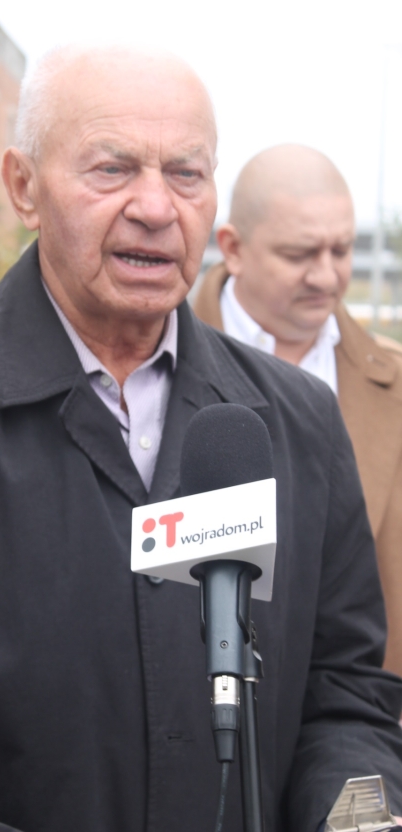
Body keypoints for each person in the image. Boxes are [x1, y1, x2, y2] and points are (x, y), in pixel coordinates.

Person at [0, 47, 401, 832]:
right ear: (24, 187)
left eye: (186, 173)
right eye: (112, 169)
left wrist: (351, 814)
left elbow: (346, 692)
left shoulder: (299, 419)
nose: (156, 207)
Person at [193, 144, 402, 677]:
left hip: (365, 713)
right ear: (233, 248)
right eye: (299, 254)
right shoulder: (150, 371)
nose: (327, 277)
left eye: (342, 250)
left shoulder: (395, 387)